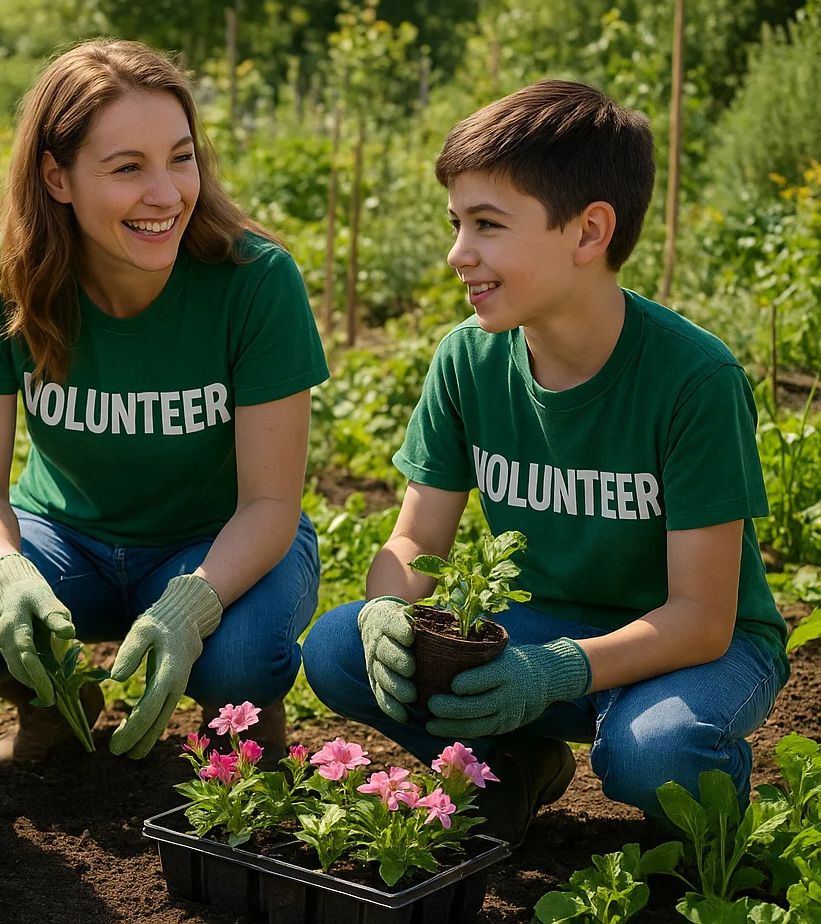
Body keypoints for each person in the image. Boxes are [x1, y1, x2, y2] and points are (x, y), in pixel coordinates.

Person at [301, 80, 790, 845]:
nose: (457, 253)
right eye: (456, 222)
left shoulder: (693, 380)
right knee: (338, 646)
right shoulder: (468, 360)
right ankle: (517, 760)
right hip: (536, 626)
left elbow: (701, 617)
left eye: (487, 225)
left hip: (692, 648)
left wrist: (555, 674)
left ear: (590, 231)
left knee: (652, 753)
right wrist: (391, 609)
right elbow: (412, 540)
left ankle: (723, 827)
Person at [0, 40, 328, 768]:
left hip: (218, 541)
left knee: (240, 657)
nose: (169, 194)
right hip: (65, 541)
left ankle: (240, 733)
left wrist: (193, 602)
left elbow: (271, 503)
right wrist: (9, 573)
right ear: (57, 177)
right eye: (127, 168)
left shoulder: (253, 280)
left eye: (181, 158)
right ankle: (52, 709)